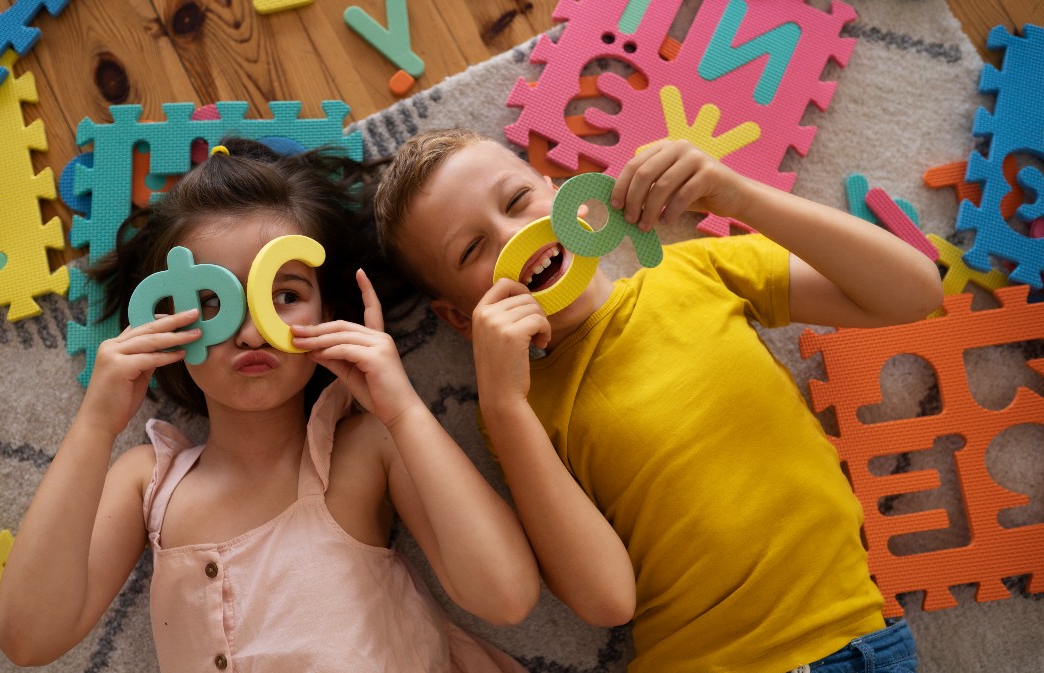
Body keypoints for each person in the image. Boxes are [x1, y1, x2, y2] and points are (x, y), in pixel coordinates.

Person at [372, 129, 943, 673]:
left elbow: (916, 293)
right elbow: (607, 601)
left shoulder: (697, 270)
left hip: (860, 643)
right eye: (472, 248)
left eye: (518, 199)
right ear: (458, 318)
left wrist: (737, 194)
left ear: (562, 192)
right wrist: (504, 406)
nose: (511, 238)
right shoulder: (516, 408)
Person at [0, 138, 539, 673]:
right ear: (163, 323)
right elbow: (28, 638)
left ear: (331, 310)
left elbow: (507, 598)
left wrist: (402, 409)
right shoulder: (149, 481)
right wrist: (95, 424)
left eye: (286, 296)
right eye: (213, 301)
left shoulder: (366, 448)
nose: (253, 332)